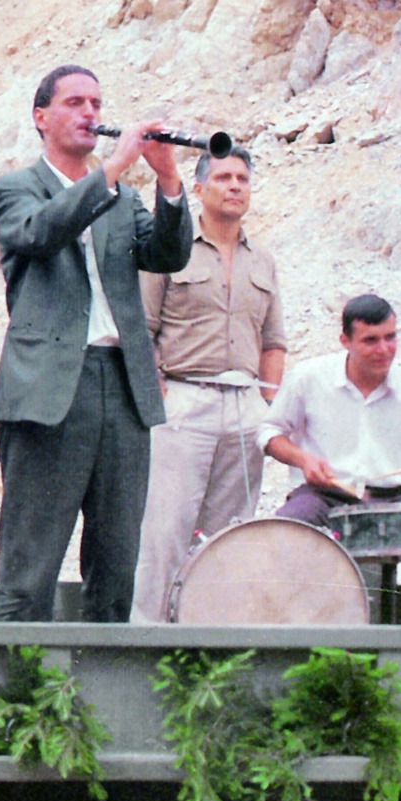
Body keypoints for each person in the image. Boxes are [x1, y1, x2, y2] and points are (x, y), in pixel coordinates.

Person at [0, 64, 193, 622]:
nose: (90, 113)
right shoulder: (15, 188)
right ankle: (17, 677)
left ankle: (103, 675)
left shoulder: (122, 196)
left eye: (96, 103)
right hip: (50, 389)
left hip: (123, 386)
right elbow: (40, 232)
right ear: (40, 117)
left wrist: (168, 179)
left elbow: (168, 255)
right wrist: (115, 166)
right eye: (75, 102)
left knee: (117, 564)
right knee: (30, 565)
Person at [130, 146, 286, 623]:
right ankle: (149, 640)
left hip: (244, 405)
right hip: (184, 400)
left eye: (242, 178)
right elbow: (141, 328)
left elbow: (274, 341)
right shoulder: (169, 250)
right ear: (198, 189)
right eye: (222, 177)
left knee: (231, 537)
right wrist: (161, 397)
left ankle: (215, 643)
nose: (234, 186)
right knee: (165, 534)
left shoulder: (263, 260)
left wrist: (266, 405)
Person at [260, 294, 401, 623]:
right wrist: (303, 459)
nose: (384, 349)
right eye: (370, 340)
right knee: (284, 530)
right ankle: (290, 634)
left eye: (390, 337)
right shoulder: (309, 377)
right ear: (345, 341)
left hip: (396, 501)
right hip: (324, 496)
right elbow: (269, 434)